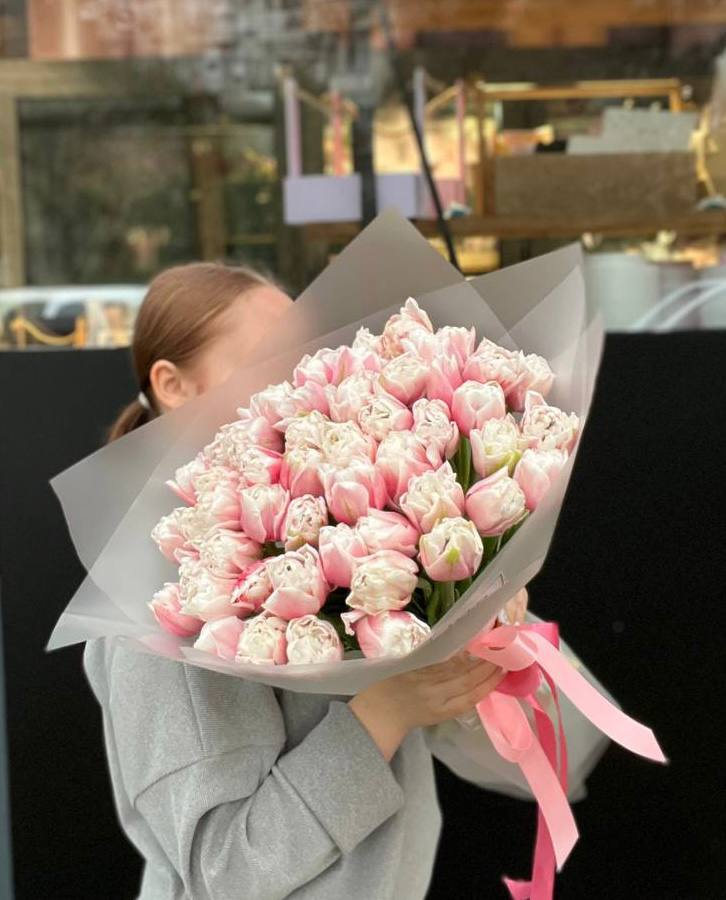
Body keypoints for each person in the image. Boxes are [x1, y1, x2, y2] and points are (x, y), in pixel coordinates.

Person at [85, 262, 506, 900]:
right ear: (172, 385)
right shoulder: (165, 592)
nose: (306, 376)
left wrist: (483, 615)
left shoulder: (339, 526)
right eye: (272, 357)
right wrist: (387, 709)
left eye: (312, 353)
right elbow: (225, 871)